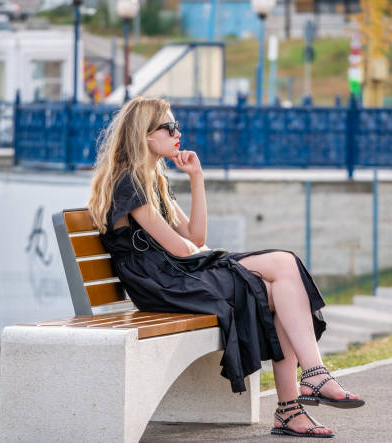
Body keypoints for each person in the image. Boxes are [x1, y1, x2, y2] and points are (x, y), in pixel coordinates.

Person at [87, 97, 364, 438]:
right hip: (166, 283)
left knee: (280, 286)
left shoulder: (152, 179)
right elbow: (182, 248)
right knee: (283, 264)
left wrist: (197, 179)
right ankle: (312, 379)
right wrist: (207, 253)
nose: (178, 133)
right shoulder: (128, 182)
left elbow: (194, 235)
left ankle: (294, 405)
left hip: (178, 273)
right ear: (145, 135)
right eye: (170, 127)